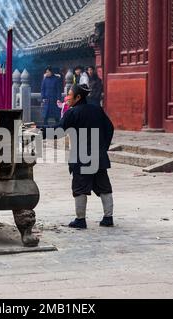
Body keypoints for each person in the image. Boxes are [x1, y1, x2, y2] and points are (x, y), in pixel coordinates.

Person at [41, 84, 115, 229]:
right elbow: (110, 128)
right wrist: (103, 147)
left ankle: (80, 220)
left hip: (82, 158)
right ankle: (108, 218)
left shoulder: (72, 113)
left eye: (69, 95)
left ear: (78, 97)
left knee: (80, 188)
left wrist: (40, 132)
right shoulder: (97, 110)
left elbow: (58, 132)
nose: (66, 98)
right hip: (99, 156)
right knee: (104, 186)